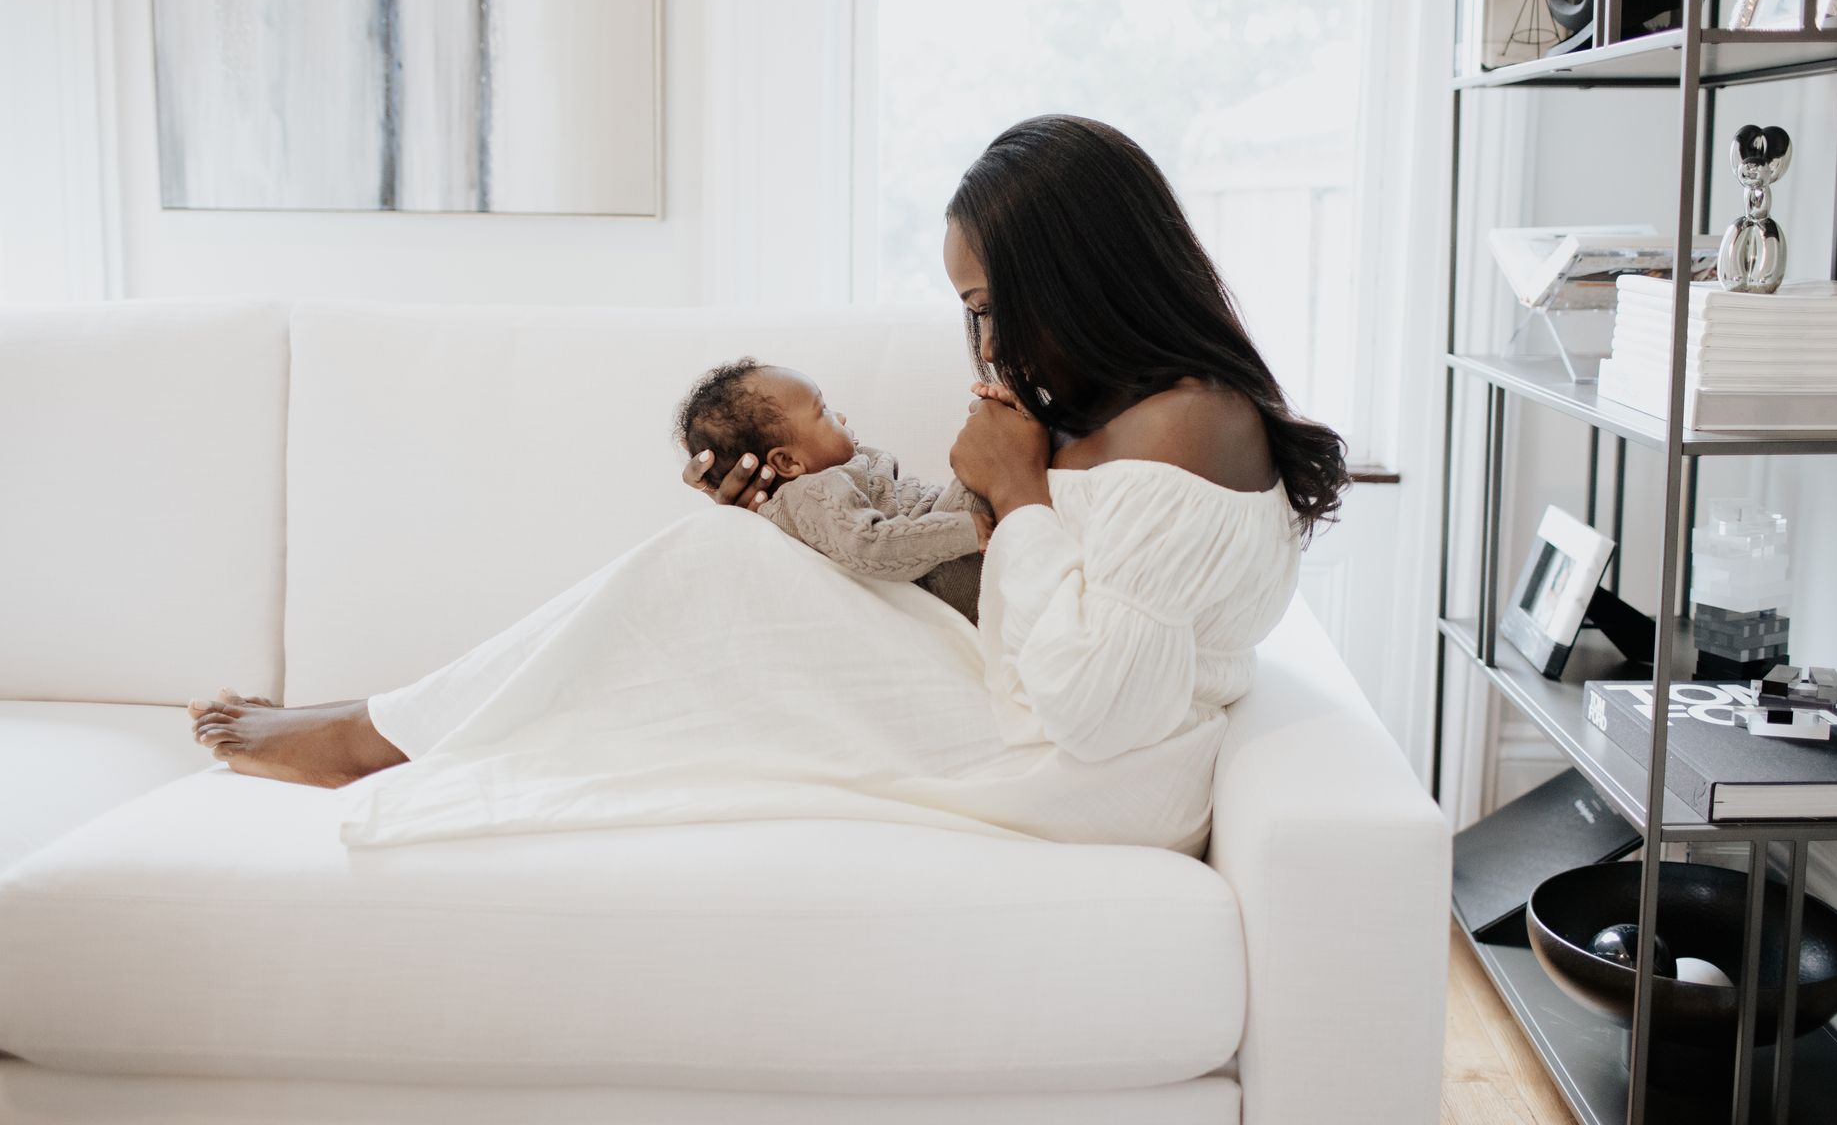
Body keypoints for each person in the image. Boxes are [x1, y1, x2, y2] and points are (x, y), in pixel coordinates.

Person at [188, 114, 1348, 855]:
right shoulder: (1124, 404)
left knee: (713, 571)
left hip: (1071, 767)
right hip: (1014, 696)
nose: (985, 342)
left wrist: (1024, 495)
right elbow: (1019, 585)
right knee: (735, 557)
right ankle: (402, 722)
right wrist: (816, 512)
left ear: (1082, 274)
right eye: (968, 311)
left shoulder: (1192, 419)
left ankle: (381, 735)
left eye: (991, 301)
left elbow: (1103, 707)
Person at [675, 356, 991, 622]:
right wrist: (964, 530)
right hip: (947, 569)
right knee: (988, 447)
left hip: (945, 542)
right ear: (787, 461)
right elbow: (868, 545)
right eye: (823, 411)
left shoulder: (826, 477)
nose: (840, 416)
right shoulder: (811, 493)